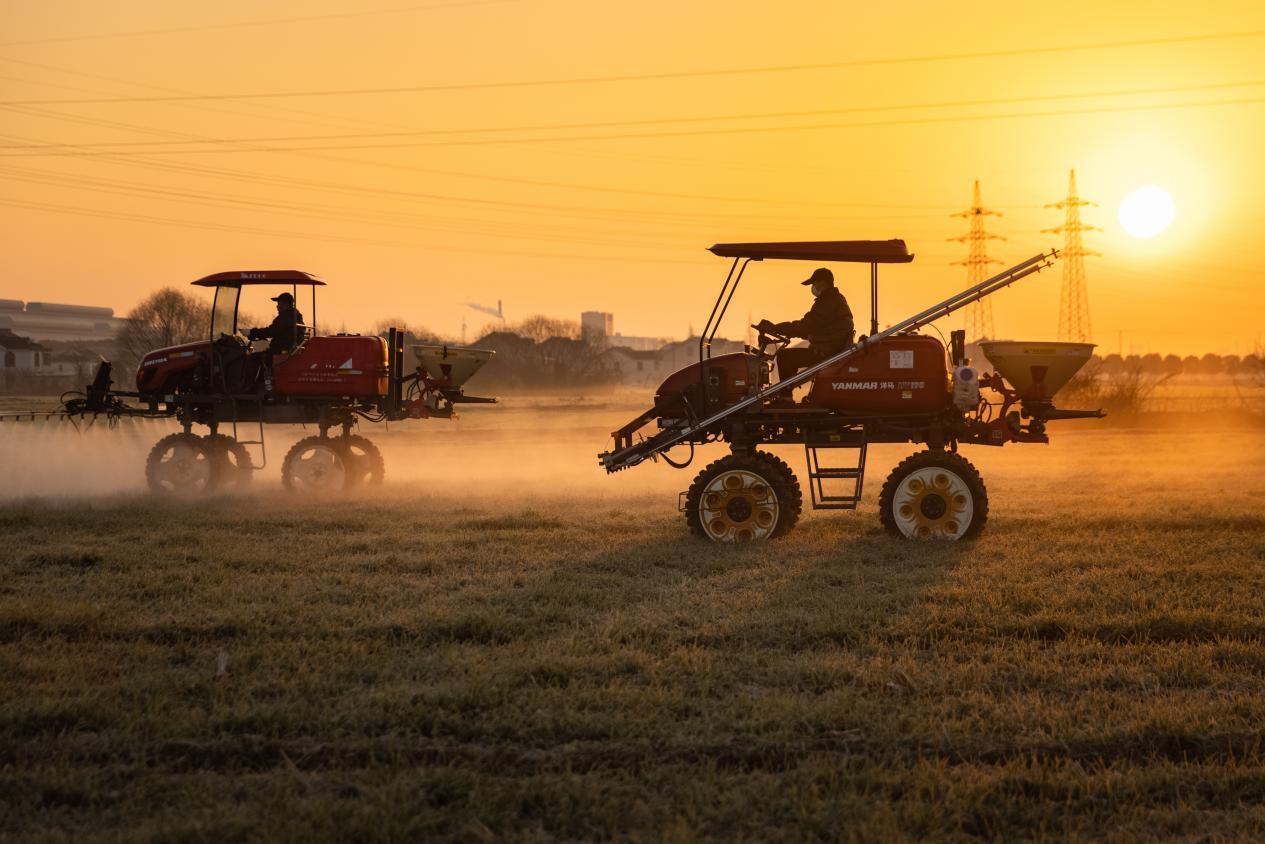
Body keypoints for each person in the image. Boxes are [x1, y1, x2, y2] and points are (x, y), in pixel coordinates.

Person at [758, 267, 854, 382]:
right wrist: (785, 330)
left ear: (823, 283)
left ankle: (785, 397)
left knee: (785, 356)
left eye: (814, 283)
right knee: (789, 356)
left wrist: (775, 328)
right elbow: (813, 328)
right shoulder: (835, 300)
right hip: (831, 348)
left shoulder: (827, 302)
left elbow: (806, 326)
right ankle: (786, 390)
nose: (813, 287)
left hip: (825, 352)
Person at [248, 291, 306, 356]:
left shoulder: (286, 317)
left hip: (280, 350)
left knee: (253, 358)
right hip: (286, 349)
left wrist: (255, 332)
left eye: (279, 304)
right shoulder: (295, 317)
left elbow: (271, 332)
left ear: (286, 304)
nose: (277, 306)